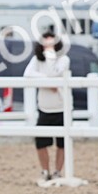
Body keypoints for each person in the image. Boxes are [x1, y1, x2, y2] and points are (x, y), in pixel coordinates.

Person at [24, 25, 70, 182]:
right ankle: (45, 171)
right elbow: (28, 74)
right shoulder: (37, 60)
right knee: (41, 142)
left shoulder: (64, 59)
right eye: (46, 43)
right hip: (45, 107)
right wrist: (47, 82)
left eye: (52, 43)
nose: (49, 46)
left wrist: (47, 78)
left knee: (62, 143)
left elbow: (57, 73)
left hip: (62, 107)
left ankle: (57, 171)